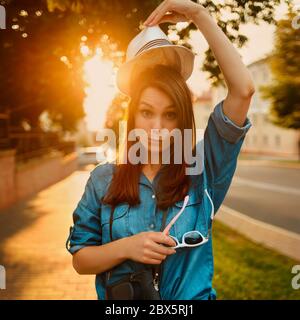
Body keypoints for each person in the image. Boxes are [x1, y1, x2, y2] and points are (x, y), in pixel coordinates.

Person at [66, 0, 255, 300]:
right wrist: (128, 247)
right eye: (146, 112)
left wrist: (199, 15)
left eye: (170, 115)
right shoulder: (103, 179)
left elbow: (243, 90)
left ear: (182, 118)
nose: (157, 127)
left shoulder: (203, 170)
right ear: (133, 116)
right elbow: (81, 259)